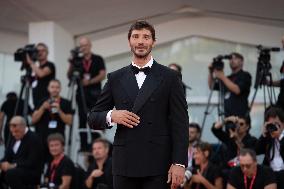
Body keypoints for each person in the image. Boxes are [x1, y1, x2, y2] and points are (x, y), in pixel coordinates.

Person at [87, 20, 189, 189]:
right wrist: (112, 115)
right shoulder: (115, 78)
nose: (140, 41)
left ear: (153, 42)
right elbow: (93, 117)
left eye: (146, 37)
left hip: (158, 163)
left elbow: (180, 122)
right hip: (124, 163)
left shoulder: (170, 77)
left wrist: (179, 162)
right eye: (136, 36)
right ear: (129, 42)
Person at [68, 36, 106, 151]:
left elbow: (102, 75)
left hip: (95, 93)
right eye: (81, 46)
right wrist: (72, 61)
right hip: (81, 94)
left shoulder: (97, 58)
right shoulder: (78, 60)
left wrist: (89, 82)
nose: (83, 48)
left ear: (90, 45)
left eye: (85, 45)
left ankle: (97, 144)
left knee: (95, 117)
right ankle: (84, 146)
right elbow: (69, 76)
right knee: (82, 119)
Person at [32, 79, 73, 162]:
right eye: (52, 87)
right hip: (41, 138)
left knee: (56, 163)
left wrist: (59, 111)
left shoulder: (66, 103)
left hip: (57, 139)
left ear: (60, 88)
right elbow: (33, 120)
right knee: (39, 163)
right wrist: (42, 108)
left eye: (57, 87)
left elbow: (69, 121)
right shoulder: (41, 101)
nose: (55, 89)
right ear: (48, 88)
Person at [0, 116, 43, 188]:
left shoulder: (34, 139)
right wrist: (1, 164)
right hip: (16, 170)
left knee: (11, 173)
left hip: (31, 172)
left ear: (23, 127)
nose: (14, 134)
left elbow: (32, 162)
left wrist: (13, 165)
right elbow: (7, 156)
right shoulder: (14, 137)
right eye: (12, 132)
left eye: (16, 131)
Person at [208, 52, 252, 117]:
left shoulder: (245, 75)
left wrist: (222, 76)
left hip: (240, 118)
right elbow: (211, 86)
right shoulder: (227, 78)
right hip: (226, 117)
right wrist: (211, 72)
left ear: (242, 62)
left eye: (235, 58)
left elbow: (237, 90)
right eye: (230, 59)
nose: (232, 60)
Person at [255, 106, 284, 189]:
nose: (274, 127)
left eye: (277, 124)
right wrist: (263, 135)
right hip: (270, 175)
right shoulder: (268, 137)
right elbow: (256, 151)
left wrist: (280, 137)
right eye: (271, 124)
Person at [26, 43, 56, 107]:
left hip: (49, 100)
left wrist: (31, 63)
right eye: (38, 51)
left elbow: (41, 74)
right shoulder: (36, 67)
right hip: (36, 100)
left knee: (54, 116)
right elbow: (32, 82)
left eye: (43, 51)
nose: (40, 53)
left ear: (47, 53)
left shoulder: (50, 65)